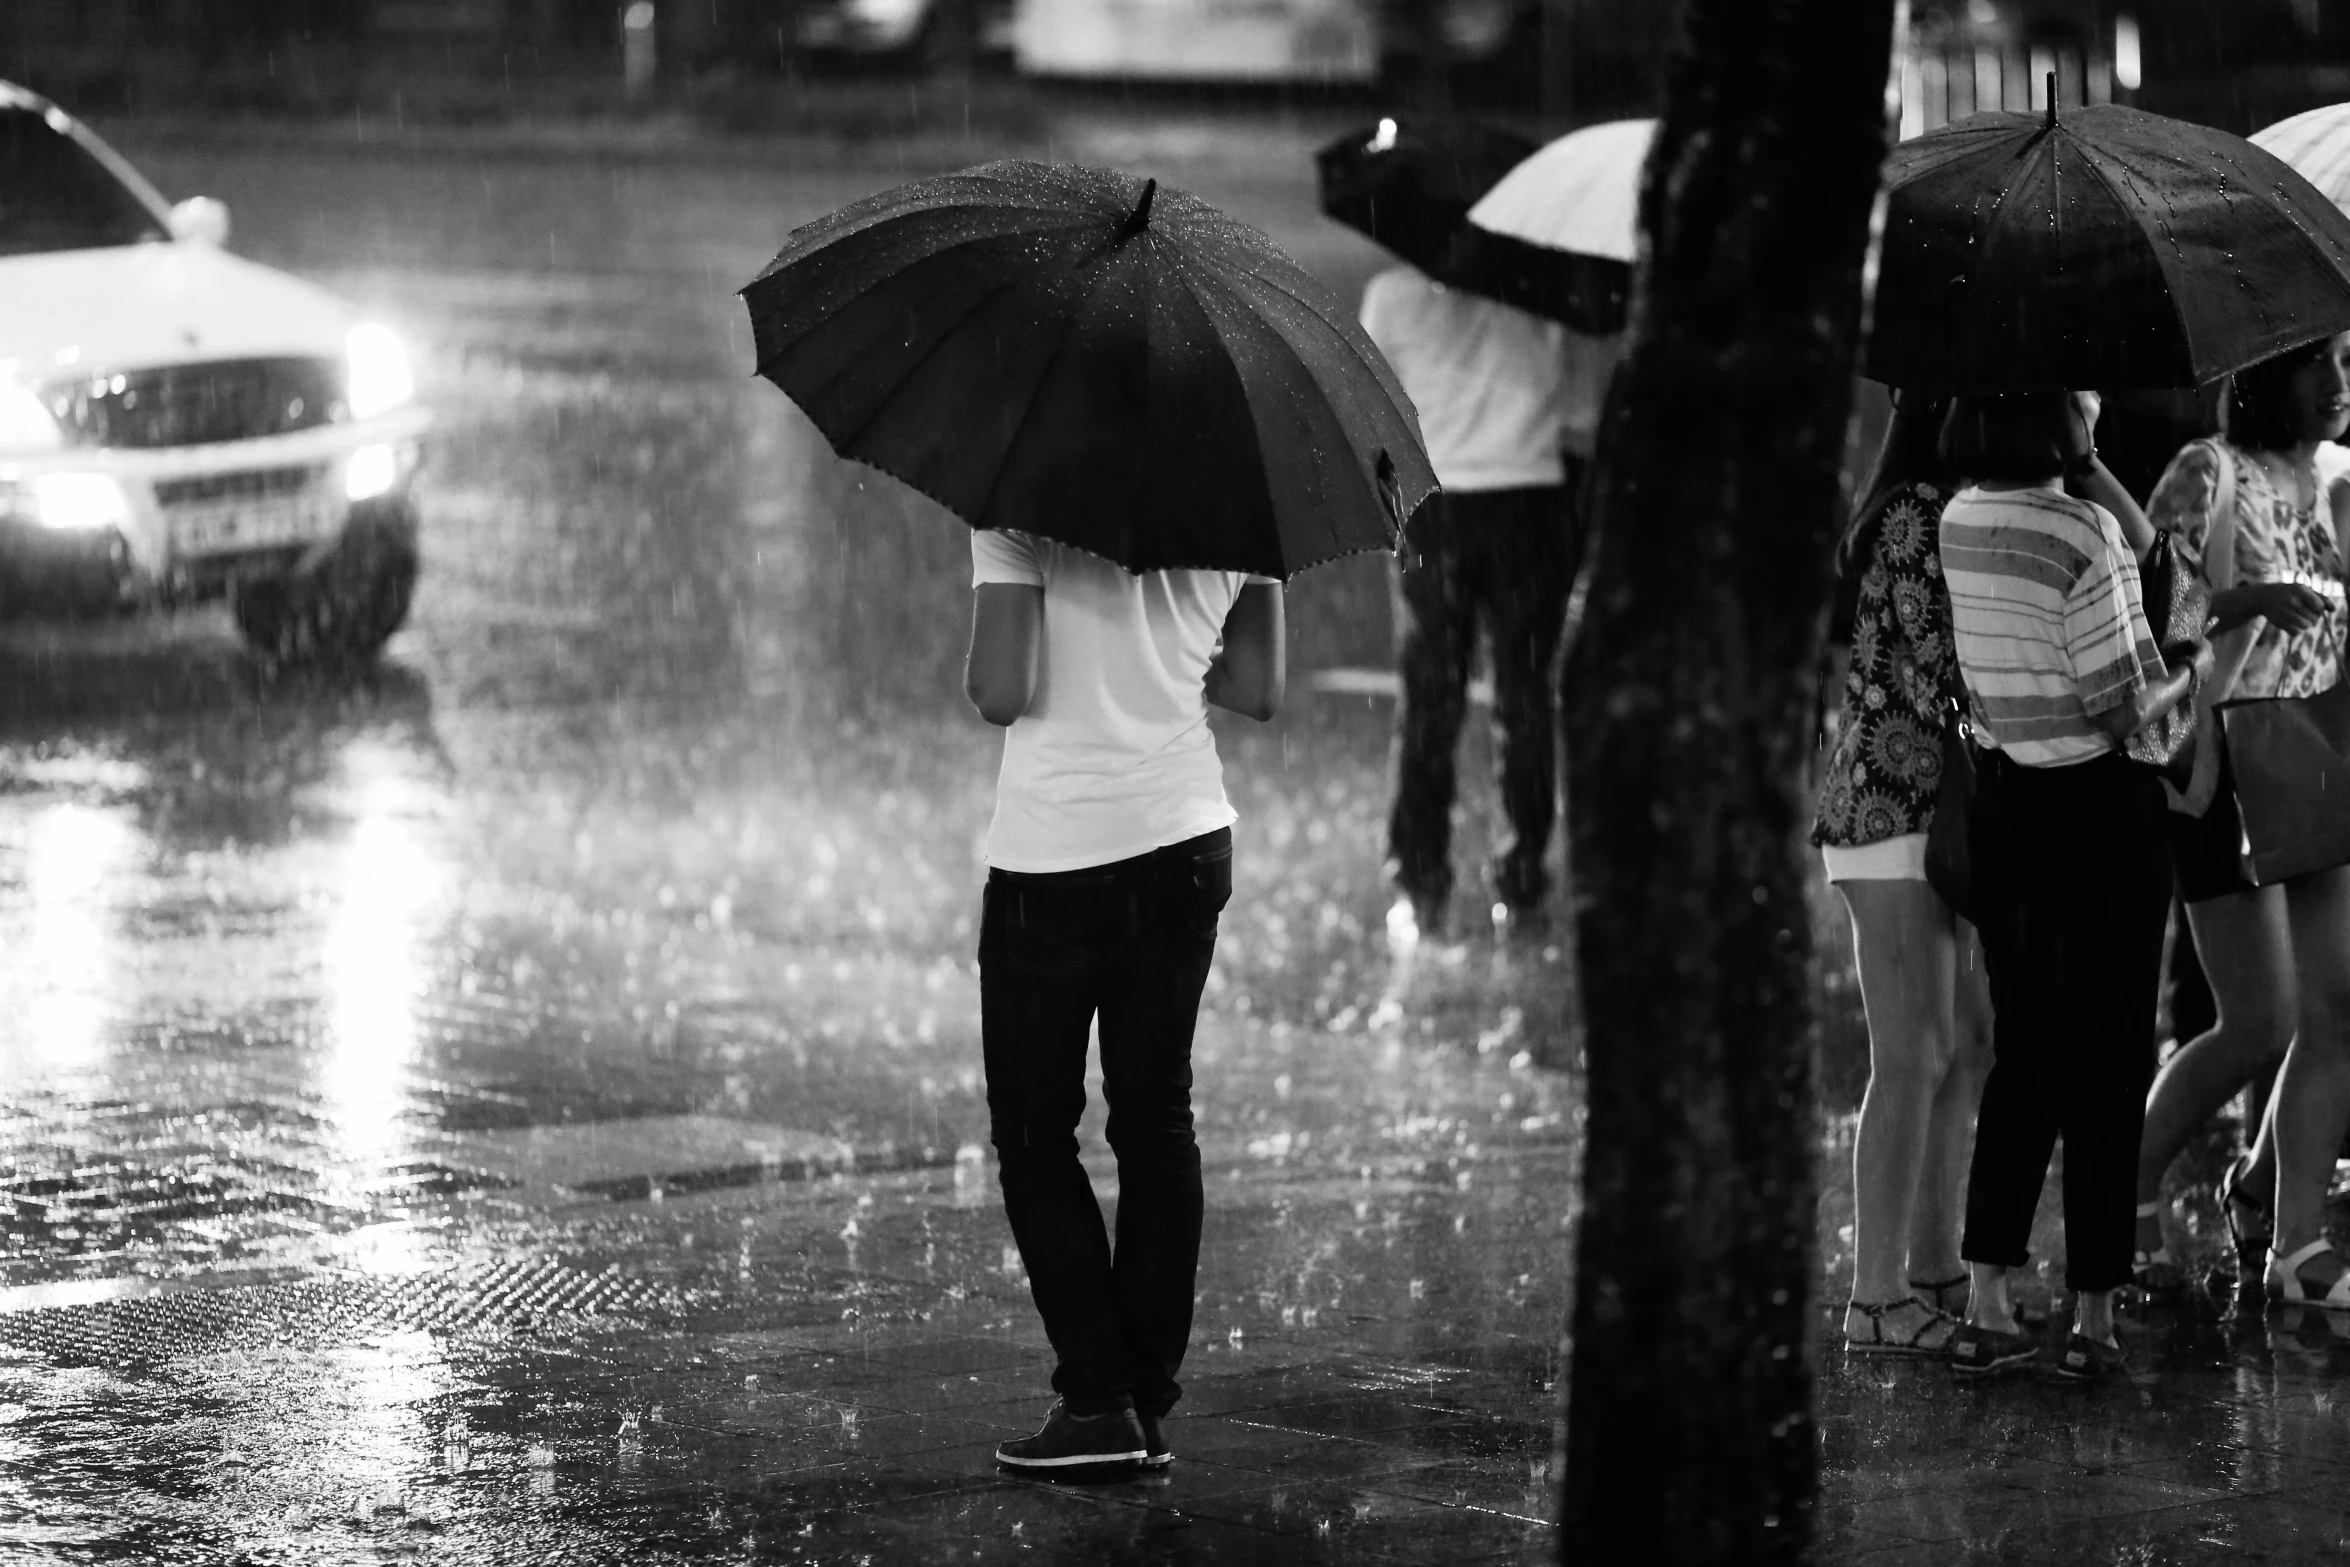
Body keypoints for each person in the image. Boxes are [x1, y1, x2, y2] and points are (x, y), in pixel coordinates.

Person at [963, 525, 1283, 1470]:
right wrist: (1165, 662)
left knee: (1034, 1131)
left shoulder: (1018, 494)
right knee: (1154, 1118)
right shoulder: (1238, 487)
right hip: (1186, 841)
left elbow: (1000, 689)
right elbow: (1258, 687)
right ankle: (1140, 1392)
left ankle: (1098, 1400)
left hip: (1054, 854)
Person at [1937, 391, 2212, 1380]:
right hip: (2100, 818)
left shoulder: (1960, 516)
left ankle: (1987, 1296)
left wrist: (2088, 463)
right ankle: (2092, 1317)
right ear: (2059, 411)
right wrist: (2188, 666)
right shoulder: (2081, 529)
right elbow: (2125, 707)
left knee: (2026, 1053)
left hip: (2009, 808)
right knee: (2108, 1061)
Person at [2134, 332, 2350, 1308]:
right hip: (2223, 763)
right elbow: (2150, 618)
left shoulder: (2339, 479)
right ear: (2268, 372)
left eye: (2346, 360)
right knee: (2260, 1021)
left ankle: (2290, 1235)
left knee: (2336, 1008)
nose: (2338, 383)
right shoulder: (2205, 471)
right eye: (2317, 362)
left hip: (2320, 755)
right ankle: (2128, 1187)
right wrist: (2253, 597)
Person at [1811, 390, 1992, 1356]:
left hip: (1931, 811)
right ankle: (1875, 1294)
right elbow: (1945, 670)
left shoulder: (1941, 501)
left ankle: (1936, 1265)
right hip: (1890, 809)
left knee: (1965, 1042)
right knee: (1913, 1051)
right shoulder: (1918, 512)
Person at [1358, 262, 1616, 940]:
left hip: (1429, 508)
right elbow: (1584, 427)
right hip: (1530, 508)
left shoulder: (1393, 294)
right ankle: (1522, 878)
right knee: (1525, 698)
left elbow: (1370, 419)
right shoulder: (1552, 298)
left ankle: (1419, 884)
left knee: (1428, 700)